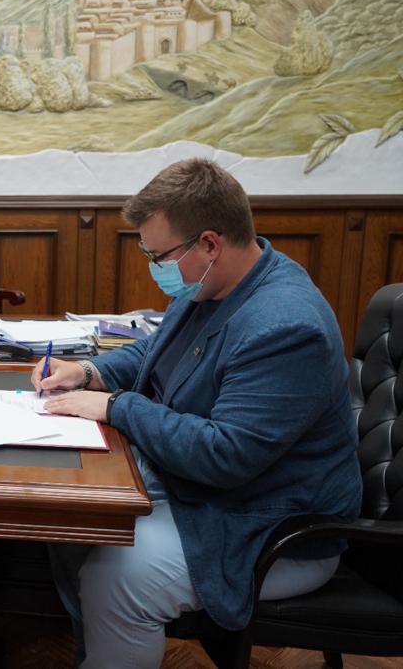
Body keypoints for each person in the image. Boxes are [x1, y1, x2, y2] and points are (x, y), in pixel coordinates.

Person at [32, 158, 361, 668]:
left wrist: (117, 406)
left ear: (210, 244)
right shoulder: (216, 283)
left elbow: (224, 455)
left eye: (158, 255)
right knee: (74, 515)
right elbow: (157, 350)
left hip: (272, 525)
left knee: (117, 578)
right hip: (207, 489)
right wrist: (88, 372)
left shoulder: (286, 326)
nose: (153, 266)